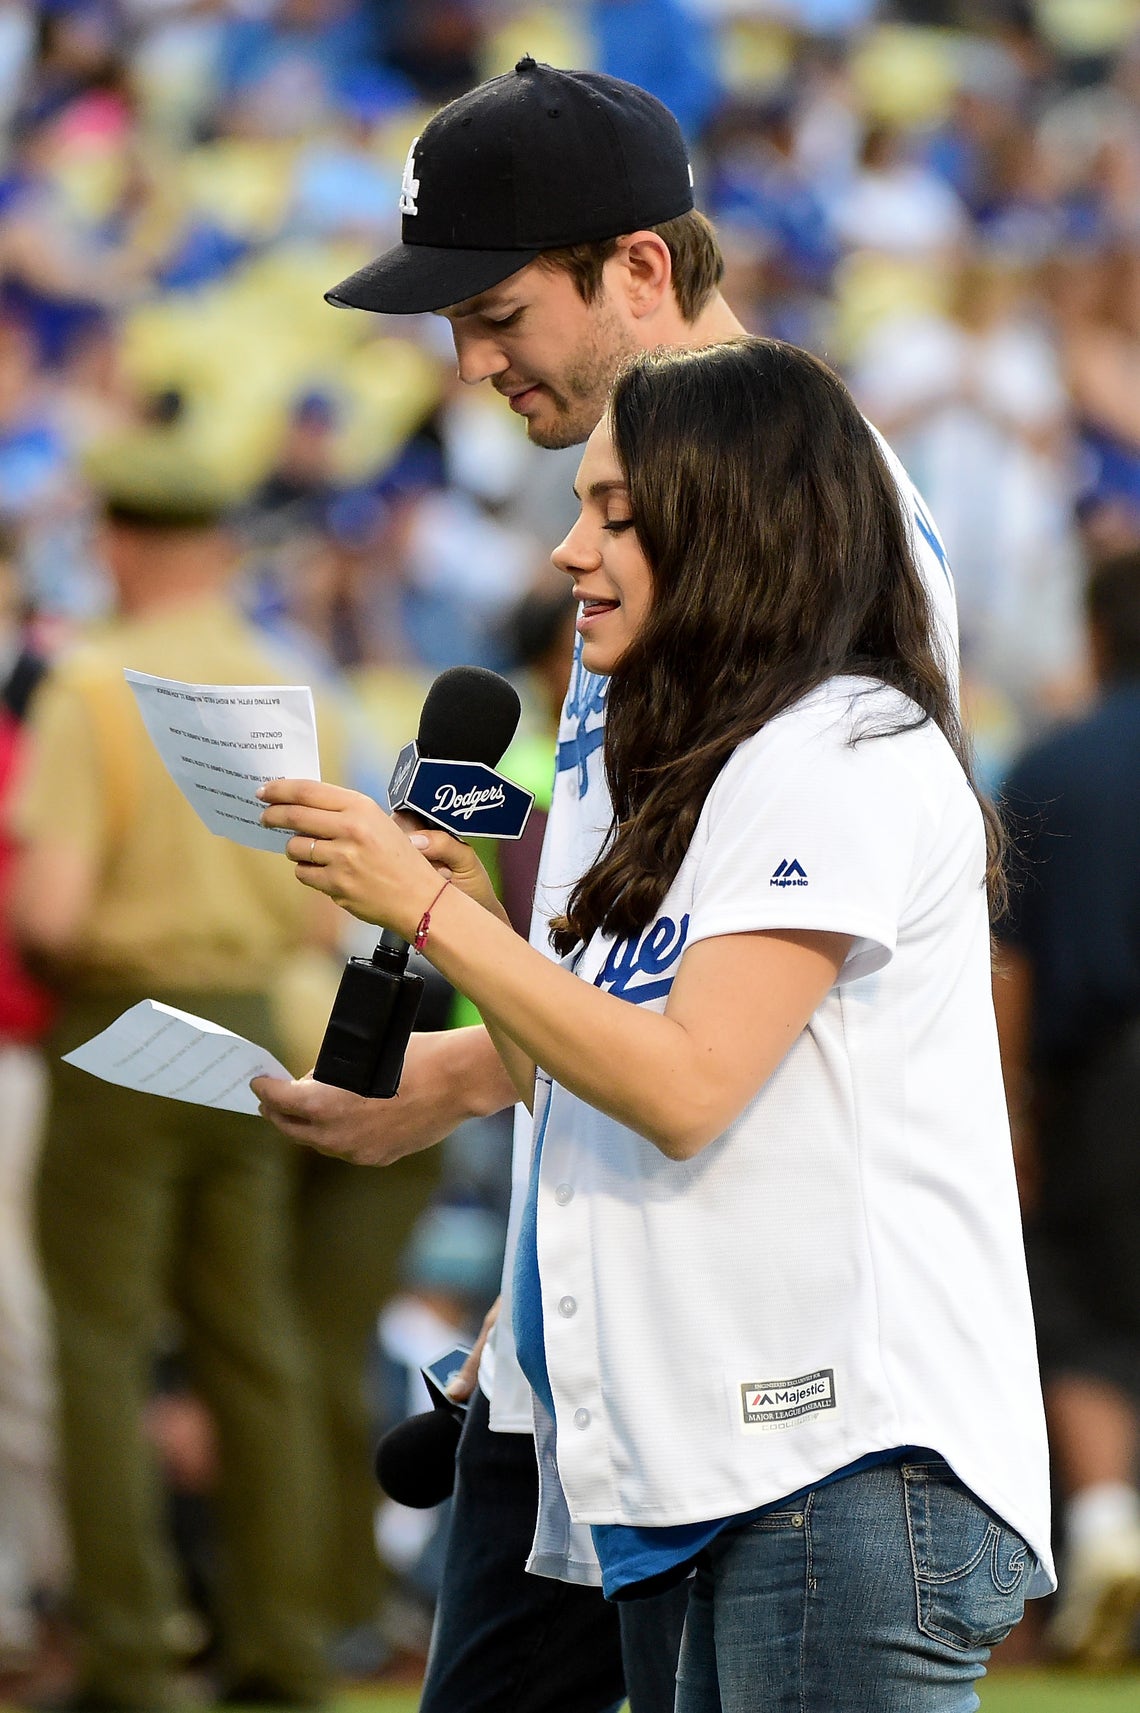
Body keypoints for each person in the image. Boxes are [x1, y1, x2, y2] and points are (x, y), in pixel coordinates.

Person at [254, 58, 959, 1713]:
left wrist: (435, 926)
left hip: (755, 1362)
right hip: (574, 1343)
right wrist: (461, 1071)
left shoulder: (815, 524)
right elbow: (660, 953)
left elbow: (767, 978)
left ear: (641, 265)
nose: (473, 363)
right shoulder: (630, 529)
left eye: (497, 310)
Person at [9, 431, 336, 1712]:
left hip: (122, 1021)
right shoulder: (276, 685)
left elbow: (48, 908)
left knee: (96, 1339)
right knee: (252, 1341)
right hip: (254, 1021)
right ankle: (287, 1644)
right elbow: (323, 915)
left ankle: (134, 1654)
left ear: (120, 545)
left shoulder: (90, 682)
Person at [995, 546, 1140, 1668]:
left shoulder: (1052, 766)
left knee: (1085, 1313)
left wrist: (1009, 1119)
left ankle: (1101, 1531)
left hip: (1103, 1079)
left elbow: (1009, 969)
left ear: (1095, 637)